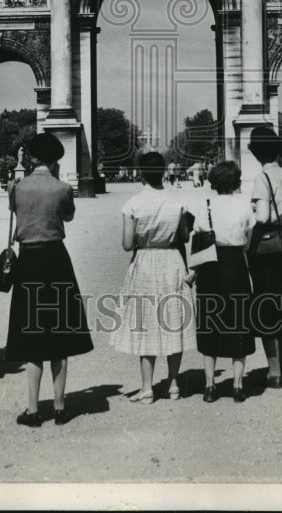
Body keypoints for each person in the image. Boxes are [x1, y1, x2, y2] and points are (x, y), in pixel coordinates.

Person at [5, 133, 93, 427]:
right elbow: (67, 217)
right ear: (56, 159)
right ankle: (59, 405)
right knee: (60, 336)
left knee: (32, 337)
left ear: (30, 158)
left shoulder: (16, 187)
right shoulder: (63, 188)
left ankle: (32, 409)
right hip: (56, 259)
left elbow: (15, 212)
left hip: (29, 259)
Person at [110, 152, 195, 404]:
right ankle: (173, 383)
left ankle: (147, 387)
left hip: (145, 261)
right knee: (173, 321)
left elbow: (127, 244)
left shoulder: (133, 204)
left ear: (141, 173)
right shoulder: (176, 202)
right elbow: (185, 237)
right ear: (164, 172)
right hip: (171, 260)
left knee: (146, 323)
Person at [191, 161, 255, 402]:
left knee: (210, 324)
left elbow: (198, 234)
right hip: (236, 264)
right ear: (236, 182)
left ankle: (210, 386)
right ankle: (238, 386)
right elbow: (249, 238)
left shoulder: (205, 204)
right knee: (239, 324)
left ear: (213, 182)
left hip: (210, 266)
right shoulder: (244, 205)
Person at [246, 125, 282, 388]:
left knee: (267, 307)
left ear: (256, 153)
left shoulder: (261, 179)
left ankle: (274, 370)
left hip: (266, 248)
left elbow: (262, 217)